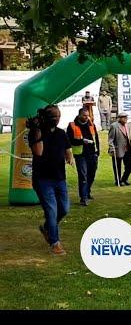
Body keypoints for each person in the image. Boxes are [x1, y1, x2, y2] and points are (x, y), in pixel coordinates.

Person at [28, 104, 73, 256]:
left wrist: (70, 158)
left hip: (60, 178)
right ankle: (55, 243)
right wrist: (37, 131)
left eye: (59, 116)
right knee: (51, 211)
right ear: (47, 118)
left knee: (64, 209)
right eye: (55, 117)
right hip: (42, 180)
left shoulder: (61, 133)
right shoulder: (35, 133)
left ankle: (47, 228)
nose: (58, 119)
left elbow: (67, 148)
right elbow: (38, 152)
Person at [66, 108, 100, 206]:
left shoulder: (91, 124)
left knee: (91, 175)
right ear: (80, 115)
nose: (86, 117)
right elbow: (69, 141)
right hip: (80, 155)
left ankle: (87, 192)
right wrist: (82, 141)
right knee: (83, 176)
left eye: (87, 115)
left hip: (92, 153)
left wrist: (98, 151)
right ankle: (83, 198)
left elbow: (96, 138)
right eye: (85, 115)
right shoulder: (72, 126)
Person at [108, 112, 131, 186]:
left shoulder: (127, 126)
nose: (125, 119)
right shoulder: (114, 126)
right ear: (119, 118)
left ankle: (124, 179)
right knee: (117, 166)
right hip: (117, 149)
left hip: (127, 149)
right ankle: (118, 181)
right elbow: (110, 139)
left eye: (126, 117)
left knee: (130, 165)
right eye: (123, 117)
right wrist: (111, 147)